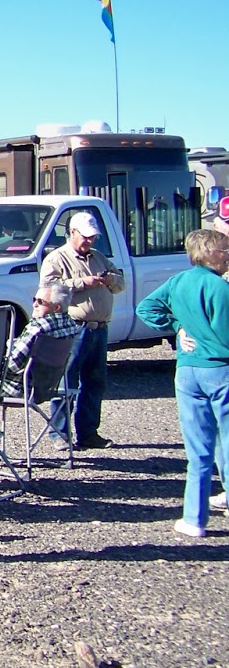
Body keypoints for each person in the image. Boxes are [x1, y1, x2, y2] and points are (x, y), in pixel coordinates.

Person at [135, 229, 229, 539]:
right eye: (225, 250)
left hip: (188, 371)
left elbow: (145, 308)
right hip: (221, 369)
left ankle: (194, 518)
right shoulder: (221, 288)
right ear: (210, 253)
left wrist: (176, 327)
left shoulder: (178, 281)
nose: (228, 255)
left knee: (198, 449)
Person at [40, 210, 125, 450]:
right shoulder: (56, 259)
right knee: (66, 382)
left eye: (93, 237)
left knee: (95, 382)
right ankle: (60, 434)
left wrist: (110, 280)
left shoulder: (99, 257)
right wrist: (81, 283)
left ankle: (88, 432)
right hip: (73, 328)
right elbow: (48, 290)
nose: (89, 241)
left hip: (99, 329)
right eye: (85, 236)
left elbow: (121, 282)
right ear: (72, 232)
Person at [0, 283, 81, 420]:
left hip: (19, 390)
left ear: (57, 307)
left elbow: (12, 365)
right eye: (34, 299)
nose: (34, 304)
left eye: (40, 302)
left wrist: (8, 346)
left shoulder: (37, 327)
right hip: (47, 389)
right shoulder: (71, 326)